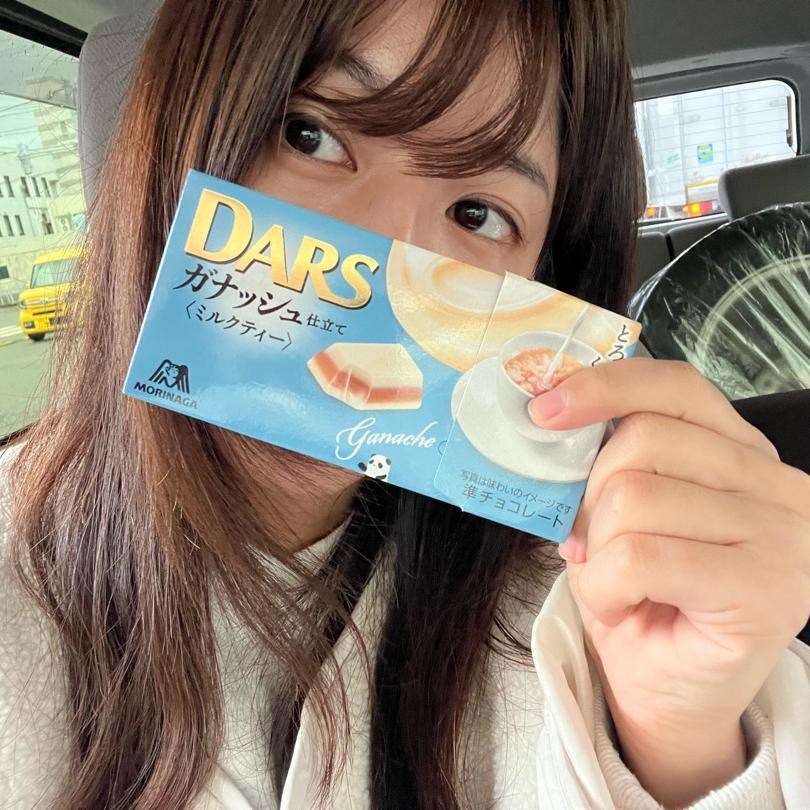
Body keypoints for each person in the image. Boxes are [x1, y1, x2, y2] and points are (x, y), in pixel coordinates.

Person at [1, 0, 808, 807]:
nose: (380, 263)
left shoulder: (588, 589)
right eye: (309, 134)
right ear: (173, 138)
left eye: (477, 215)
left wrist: (680, 743)